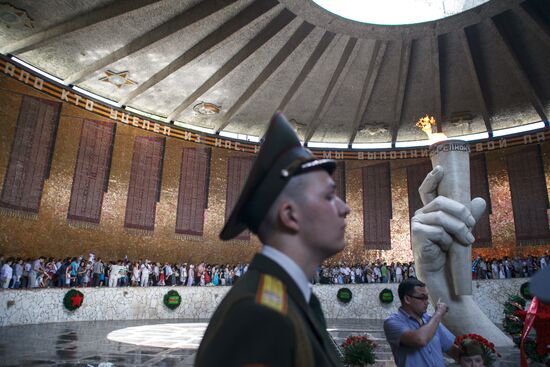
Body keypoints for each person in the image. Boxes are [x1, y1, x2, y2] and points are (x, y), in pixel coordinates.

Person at [195, 112, 350, 367]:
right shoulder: (259, 314)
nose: (345, 209)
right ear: (290, 215)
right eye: (329, 196)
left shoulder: (294, 299)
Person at [384, 278, 459, 366]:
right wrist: (438, 313)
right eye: (423, 298)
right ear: (407, 299)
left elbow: (452, 349)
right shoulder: (393, 322)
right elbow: (419, 340)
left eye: (427, 298)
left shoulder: (431, 321)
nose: (427, 302)